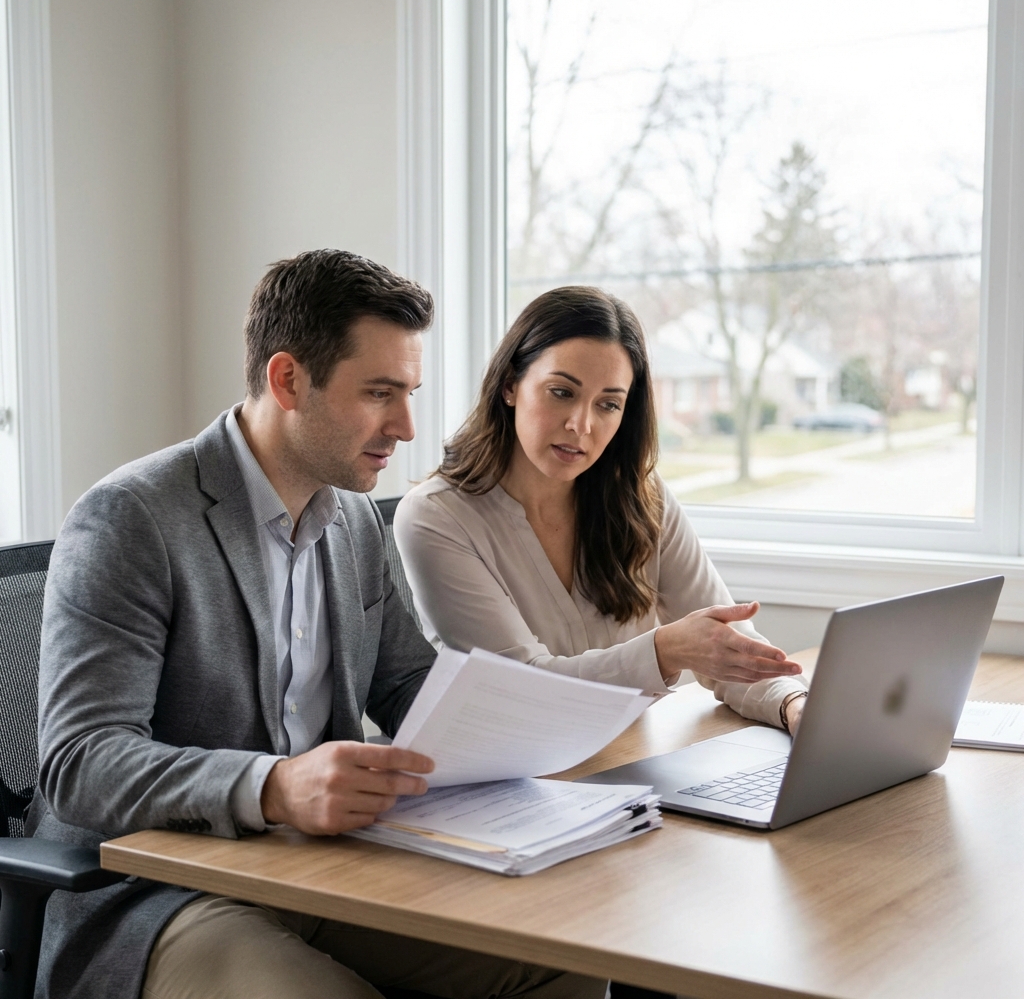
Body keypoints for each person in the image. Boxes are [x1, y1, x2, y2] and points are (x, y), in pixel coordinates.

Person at [28, 252, 607, 999]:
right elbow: (81, 761)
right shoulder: (132, 518)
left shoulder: (354, 521)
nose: (404, 425)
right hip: (157, 890)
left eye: (409, 393)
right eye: (379, 393)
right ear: (287, 380)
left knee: (566, 955)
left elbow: (406, 681)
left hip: (320, 867)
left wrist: (541, 737)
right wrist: (274, 787)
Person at [394, 286, 809, 734]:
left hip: (635, 769)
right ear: (510, 385)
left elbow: (727, 649)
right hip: (514, 780)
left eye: (608, 404)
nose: (582, 425)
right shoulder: (435, 517)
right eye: (561, 392)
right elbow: (522, 688)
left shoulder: (642, 498)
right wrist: (664, 651)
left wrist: (795, 705)